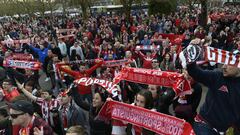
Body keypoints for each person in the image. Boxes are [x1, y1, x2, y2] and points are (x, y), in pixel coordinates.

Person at [181, 39, 240, 134]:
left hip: (223, 130)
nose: (224, 66)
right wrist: (191, 54)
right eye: (224, 62)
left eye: (229, 63)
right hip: (204, 125)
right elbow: (195, 72)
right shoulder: (217, 76)